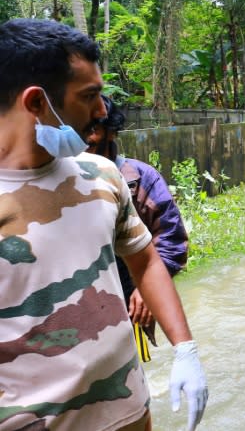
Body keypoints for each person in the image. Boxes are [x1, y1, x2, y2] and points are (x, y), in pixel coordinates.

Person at [0, 18, 207, 431]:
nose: (100, 111)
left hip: (129, 411)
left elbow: (146, 261)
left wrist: (185, 349)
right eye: (90, 96)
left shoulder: (102, 175)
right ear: (37, 102)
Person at [86, 96, 189, 363]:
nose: (84, 138)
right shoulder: (60, 180)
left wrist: (146, 290)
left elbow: (171, 239)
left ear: (112, 132)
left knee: (129, 374)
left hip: (129, 299)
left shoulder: (140, 179)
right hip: (81, 306)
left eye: (92, 129)